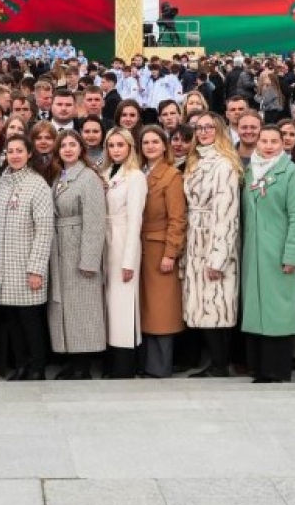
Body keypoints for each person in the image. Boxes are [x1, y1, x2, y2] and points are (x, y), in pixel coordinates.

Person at [240, 125, 295, 382]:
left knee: (278, 310)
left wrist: (292, 255)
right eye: (264, 141)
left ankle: (276, 369)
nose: (268, 146)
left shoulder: (291, 174)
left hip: (278, 252)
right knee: (256, 307)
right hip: (254, 252)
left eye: (274, 141)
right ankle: (257, 366)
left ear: (283, 144)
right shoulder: (250, 172)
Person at [182, 111, 241, 377]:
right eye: (199, 128)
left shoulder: (224, 164)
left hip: (214, 238)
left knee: (216, 302)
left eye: (209, 128)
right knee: (201, 302)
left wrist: (218, 256)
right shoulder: (195, 161)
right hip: (194, 236)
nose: (203, 132)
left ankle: (220, 364)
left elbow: (226, 213)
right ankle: (214, 361)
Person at [0, 135, 55, 380]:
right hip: (4, 265)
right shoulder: (2, 181)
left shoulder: (37, 184)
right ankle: (20, 365)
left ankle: (37, 367)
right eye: (11, 151)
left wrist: (36, 268)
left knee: (30, 321)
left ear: (30, 154)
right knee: (13, 321)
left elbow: (44, 229)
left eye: (20, 151)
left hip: (26, 265)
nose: (15, 155)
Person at [47, 130, 107, 380]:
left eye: (73, 145)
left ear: (81, 149)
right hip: (60, 248)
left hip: (78, 249)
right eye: (64, 146)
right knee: (65, 308)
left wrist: (89, 259)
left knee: (83, 308)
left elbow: (95, 221)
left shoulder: (88, 177)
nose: (68, 149)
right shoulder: (60, 177)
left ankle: (82, 364)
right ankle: (70, 359)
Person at [137, 126, 185, 378]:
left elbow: (177, 219)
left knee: (161, 311)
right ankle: (146, 364)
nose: (150, 146)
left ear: (164, 146)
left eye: (155, 142)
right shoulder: (137, 172)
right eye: (146, 142)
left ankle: (160, 366)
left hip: (159, 248)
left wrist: (170, 253)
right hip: (140, 247)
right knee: (146, 309)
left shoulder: (171, 175)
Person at [102, 127, 148, 378]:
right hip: (106, 240)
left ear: (130, 147)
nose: (116, 150)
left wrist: (129, 260)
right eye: (111, 145)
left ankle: (125, 365)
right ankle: (111, 360)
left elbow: (135, 221)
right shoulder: (106, 172)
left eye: (121, 145)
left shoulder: (135, 176)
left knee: (123, 304)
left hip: (123, 240)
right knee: (109, 304)